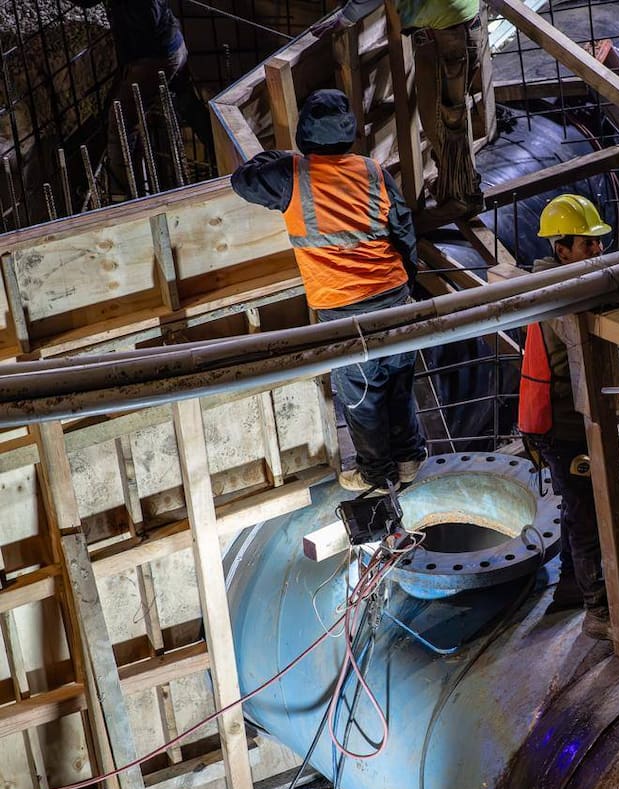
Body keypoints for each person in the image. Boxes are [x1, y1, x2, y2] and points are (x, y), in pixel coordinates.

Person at [230, 89, 426, 492]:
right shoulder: (372, 170)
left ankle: (375, 472)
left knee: (362, 396)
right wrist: (406, 279)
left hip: (342, 309)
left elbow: (242, 179)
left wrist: (285, 157)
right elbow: (403, 230)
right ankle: (409, 459)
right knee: (399, 382)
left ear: (305, 132)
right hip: (393, 296)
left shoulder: (292, 175)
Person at [520, 193, 619, 644]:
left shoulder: (572, 288)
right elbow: (585, 359)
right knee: (589, 517)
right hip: (566, 426)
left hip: (566, 420)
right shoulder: (562, 300)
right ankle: (600, 613)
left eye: (599, 242)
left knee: (581, 511)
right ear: (561, 250)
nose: (599, 250)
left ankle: (572, 588)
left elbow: (601, 357)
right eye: (587, 244)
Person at [312, 0, 494, 220]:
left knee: (443, 121)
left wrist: (345, 18)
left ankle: (462, 200)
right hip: (455, 27)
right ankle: (454, 189)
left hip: (448, 35)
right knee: (445, 118)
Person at [72, 0, 214, 192]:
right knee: (187, 103)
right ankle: (220, 152)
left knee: (121, 122)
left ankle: (121, 198)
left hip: (154, 57)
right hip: (171, 43)